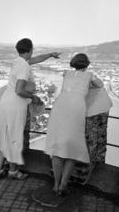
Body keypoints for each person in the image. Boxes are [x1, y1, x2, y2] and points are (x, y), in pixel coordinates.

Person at [0, 38, 61, 180]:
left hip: (5, 103)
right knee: (14, 138)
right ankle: (13, 172)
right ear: (30, 49)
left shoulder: (18, 61)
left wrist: (50, 54)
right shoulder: (24, 67)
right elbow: (19, 90)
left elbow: (37, 59)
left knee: (6, 137)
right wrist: (34, 98)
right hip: (15, 106)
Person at [44, 53, 104, 195]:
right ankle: (63, 185)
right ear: (87, 64)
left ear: (74, 63)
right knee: (73, 147)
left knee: (57, 149)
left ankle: (56, 184)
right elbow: (100, 85)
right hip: (76, 108)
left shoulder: (66, 73)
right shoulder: (90, 75)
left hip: (60, 107)